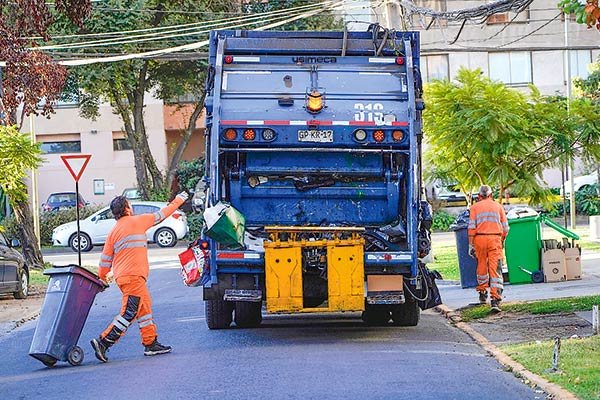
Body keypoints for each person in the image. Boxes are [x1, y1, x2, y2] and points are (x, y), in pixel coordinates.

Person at [90, 192, 188, 362]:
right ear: (127, 208)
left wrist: (102, 277)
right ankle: (104, 341)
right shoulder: (138, 221)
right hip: (133, 276)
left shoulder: (114, 231)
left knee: (144, 309)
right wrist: (179, 200)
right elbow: (163, 214)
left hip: (125, 277)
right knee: (130, 311)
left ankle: (150, 343)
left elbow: (105, 259)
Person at [467, 185, 509, 312]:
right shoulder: (498, 207)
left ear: (479, 196)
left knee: (481, 266)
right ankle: (495, 299)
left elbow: (471, 228)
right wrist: (501, 240)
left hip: (479, 239)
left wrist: (471, 245)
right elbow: (506, 228)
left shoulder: (474, 208)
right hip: (495, 239)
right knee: (495, 269)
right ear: (491, 195)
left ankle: (482, 293)